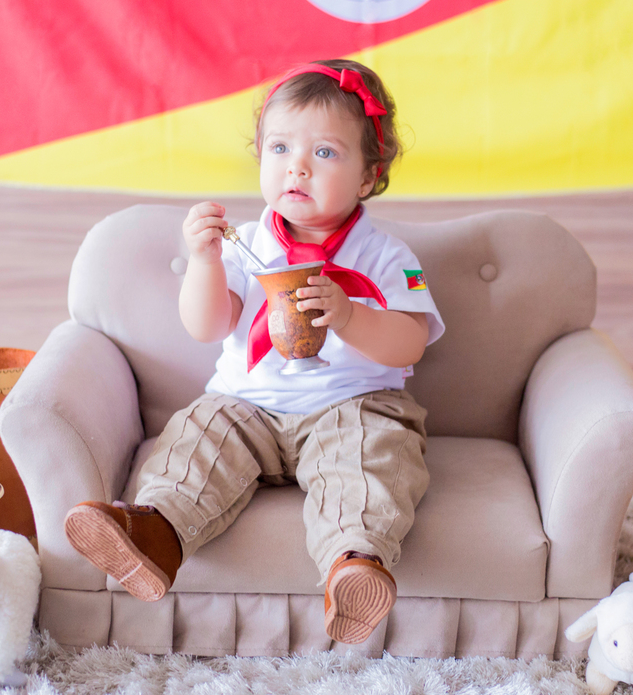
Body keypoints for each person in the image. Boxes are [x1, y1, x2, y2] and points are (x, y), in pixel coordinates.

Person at [63, 58, 444, 645]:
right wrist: (205, 261)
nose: (297, 166)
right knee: (200, 436)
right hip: (248, 407)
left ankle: (355, 564)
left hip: (353, 405)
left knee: (370, 459)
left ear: (368, 177)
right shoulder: (245, 244)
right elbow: (207, 325)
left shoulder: (389, 256)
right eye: (280, 147)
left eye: (324, 152)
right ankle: (155, 534)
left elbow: (411, 339)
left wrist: (349, 314)